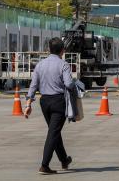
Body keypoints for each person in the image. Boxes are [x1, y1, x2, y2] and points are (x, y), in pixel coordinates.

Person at [25, 38, 75, 175]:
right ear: (63, 50)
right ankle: (44, 165)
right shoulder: (63, 64)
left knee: (54, 131)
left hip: (44, 102)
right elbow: (69, 84)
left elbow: (33, 85)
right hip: (59, 101)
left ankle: (64, 160)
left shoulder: (40, 65)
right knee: (53, 133)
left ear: (49, 49)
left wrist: (28, 104)